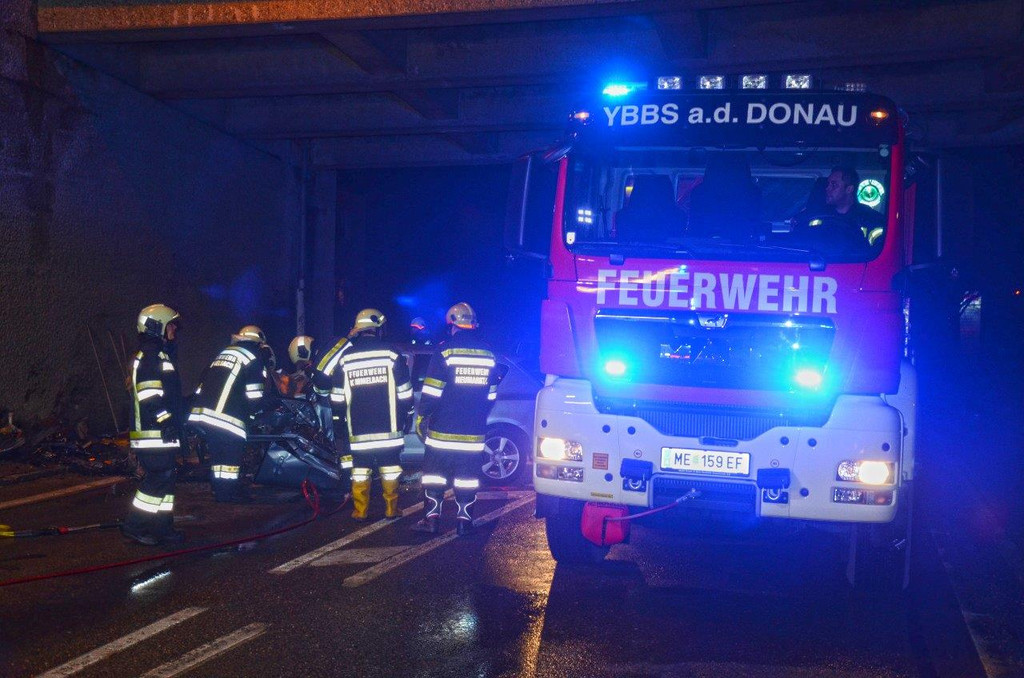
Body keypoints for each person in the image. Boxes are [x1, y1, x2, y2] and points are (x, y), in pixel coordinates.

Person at [314, 309, 414, 521]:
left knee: (359, 470)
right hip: (389, 429)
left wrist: (339, 421)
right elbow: (405, 391)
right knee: (390, 468)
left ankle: (360, 511)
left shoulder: (346, 358)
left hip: (358, 430)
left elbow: (337, 397)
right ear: (378, 329)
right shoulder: (391, 353)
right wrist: (408, 414)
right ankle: (391, 509)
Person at [411, 302, 501, 536]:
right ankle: (464, 522)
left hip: (442, 432)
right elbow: (491, 396)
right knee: (467, 479)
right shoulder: (488, 354)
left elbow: (432, 392)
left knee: (435, 476)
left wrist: (423, 416)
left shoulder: (445, 351)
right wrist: (477, 415)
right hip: (473, 433)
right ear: (473, 325)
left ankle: (432, 520)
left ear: (451, 324)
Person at [122, 304, 185, 545]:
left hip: (159, 432)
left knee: (167, 479)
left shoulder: (158, 355)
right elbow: (150, 396)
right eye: (171, 325)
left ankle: (163, 528)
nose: (174, 330)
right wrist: (166, 421)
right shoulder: (151, 357)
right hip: (153, 433)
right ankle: (134, 525)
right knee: (159, 477)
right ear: (156, 326)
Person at [188, 325, 272, 503]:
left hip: (203, 413)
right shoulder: (253, 358)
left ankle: (219, 491)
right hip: (227, 417)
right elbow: (254, 396)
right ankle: (228, 495)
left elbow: (202, 384)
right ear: (258, 344)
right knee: (230, 460)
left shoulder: (224, 353)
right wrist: (258, 413)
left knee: (218, 457)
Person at [821, 166, 885, 245]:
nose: (827, 188)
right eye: (828, 184)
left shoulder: (870, 219)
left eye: (834, 185)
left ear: (849, 189)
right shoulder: (820, 216)